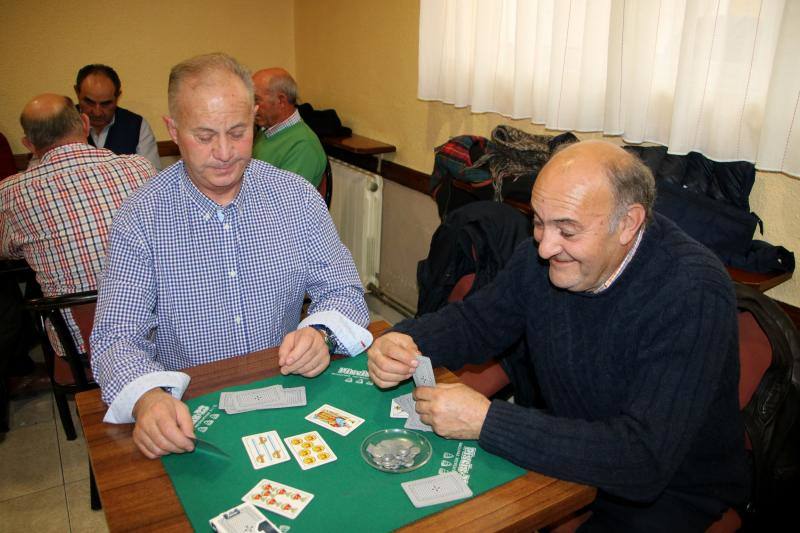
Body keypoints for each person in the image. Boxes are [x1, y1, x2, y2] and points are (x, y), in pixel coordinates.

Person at [367, 140, 748, 531]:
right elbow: (477, 323)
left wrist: (487, 421)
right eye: (538, 222)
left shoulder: (692, 291)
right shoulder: (543, 258)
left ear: (628, 224)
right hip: (569, 448)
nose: (545, 247)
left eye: (567, 230)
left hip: (670, 490)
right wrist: (406, 339)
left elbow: (643, 459)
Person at [90, 53, 370, 460]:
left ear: (255, 120)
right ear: (173, 130)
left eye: (238, 132)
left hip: (286, 390)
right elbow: (116, 336)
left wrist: (320, 333)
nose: (224, 152)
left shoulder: (296, 198)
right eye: (204, 136)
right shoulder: (141, 217)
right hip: (193, 409)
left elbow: (344, 290)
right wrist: (147, 398)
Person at [0, 94, 155, 355]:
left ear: (29, 144)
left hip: (78, 346)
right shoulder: (139, 168)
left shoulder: (10, 193)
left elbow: (6, 251)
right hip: (153, 331)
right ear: (84, 123)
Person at [74, 64, 162, 170]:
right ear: (77, 92)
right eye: (89, 102)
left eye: (106, 104)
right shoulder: (62, 125)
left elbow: (153, 174)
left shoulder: (137, 126)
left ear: (118, 97)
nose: (97, 112)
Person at [251, 68, 327, 187]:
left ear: (281, 101)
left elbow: (283, 197)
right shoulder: (267, 130)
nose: (252, 107)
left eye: (256, 100)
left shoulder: (303, 146)